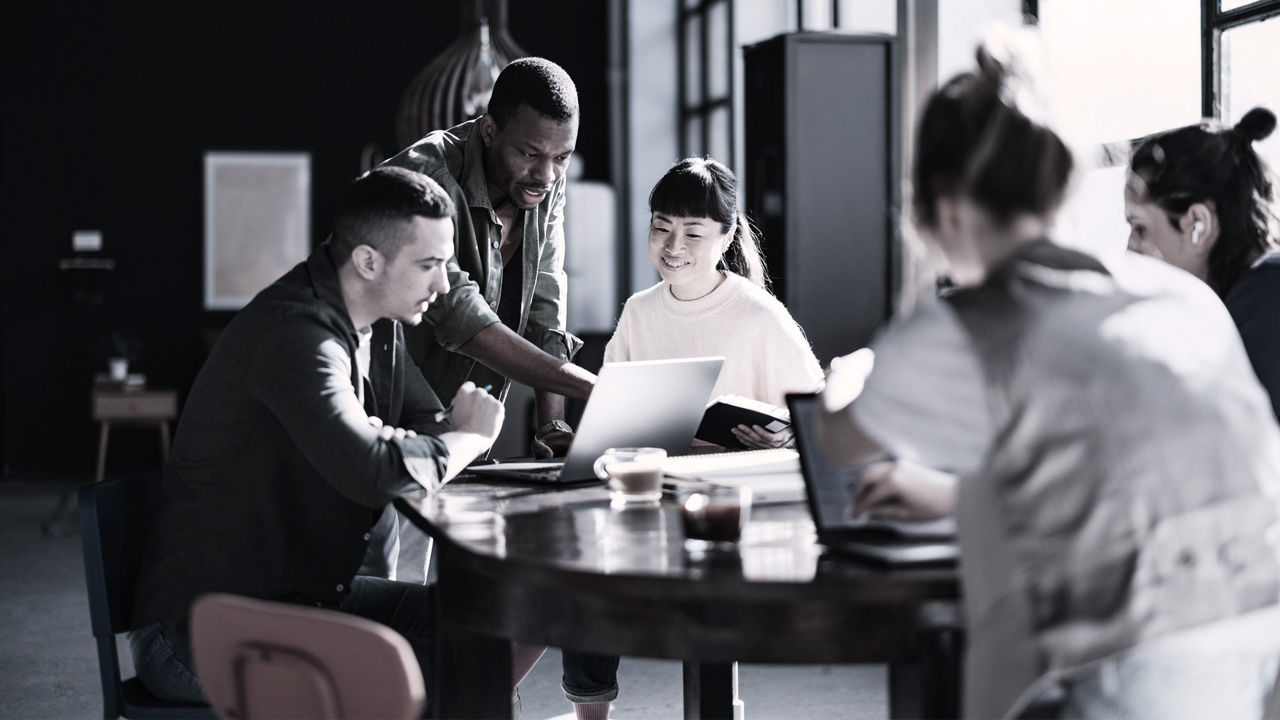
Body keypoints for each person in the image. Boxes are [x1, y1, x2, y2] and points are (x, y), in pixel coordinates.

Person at [817, 34, 1280, 719]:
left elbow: (839, 440)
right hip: (1256, 658)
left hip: (1134, 680)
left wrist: (852, 372)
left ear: (943, 207)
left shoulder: (972, 320)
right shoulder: (1184, 297)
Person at [128, 167, 514, 709]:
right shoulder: (294, 333)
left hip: (297, 598)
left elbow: (427, 422)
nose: (444, 286)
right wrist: (469, 438)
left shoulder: (380, 324)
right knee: (445, 676)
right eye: (429, 265)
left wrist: (401, 446)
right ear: (368, 261)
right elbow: (377, 472)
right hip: (198, 634)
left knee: (483, 633)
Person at [383, 56, 594, 458]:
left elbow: (545, 303)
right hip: (382, 421)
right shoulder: (424, 178)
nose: (547, 175)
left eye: (562, 157)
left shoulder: (545, 183)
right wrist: (597, 390)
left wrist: (553, 426)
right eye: (530, 154)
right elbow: (460, 315)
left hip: (466, 439)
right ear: (490, 129)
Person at [604, 156, 824, 448]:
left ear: (727, 237)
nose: (674, 246)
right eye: (661, 228)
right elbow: (609, 413)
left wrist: (787, 435)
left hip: (738, 473)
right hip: (656, 472)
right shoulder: (638, 311)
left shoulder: (760, 314)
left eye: (693, 233)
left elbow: (816, 413)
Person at [1125, 107, 1280, 418]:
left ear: (1197, 224)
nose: (1129, 251)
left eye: (1140, 228)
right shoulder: (1258, 295)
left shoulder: (1264, 306)